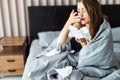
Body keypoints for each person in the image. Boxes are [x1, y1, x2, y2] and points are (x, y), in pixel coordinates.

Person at [22, 0, 119, 80]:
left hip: (90, 61)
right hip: (74, 53)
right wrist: (69, 22)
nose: (80, 13)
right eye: (78, 10)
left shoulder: (103, 28)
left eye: (84, 10)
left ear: (92, 10)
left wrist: (84, 43)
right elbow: (60, 42)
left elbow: (98, 54)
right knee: (35, 67)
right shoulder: (79, 23)